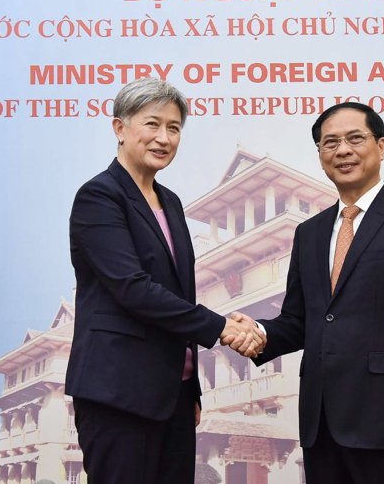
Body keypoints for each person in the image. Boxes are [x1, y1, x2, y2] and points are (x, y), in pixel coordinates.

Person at [226, 102, 384, 483]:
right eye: (329, 143)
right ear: (320, 156)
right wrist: (259, 332)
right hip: (321, 427)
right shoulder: (309, 234)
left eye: (355, 138)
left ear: (380, 146)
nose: (343, 150)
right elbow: (302, 320)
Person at [65, 78, 265, 484]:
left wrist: (190, 389)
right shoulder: (99, 197)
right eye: (152, 124)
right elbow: (133, 289)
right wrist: (223, 328)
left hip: (173, 393)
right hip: (119, 392)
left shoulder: (170, 201)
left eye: (174, 128)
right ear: (120, 129)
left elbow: (178, 294)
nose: (164, 138)